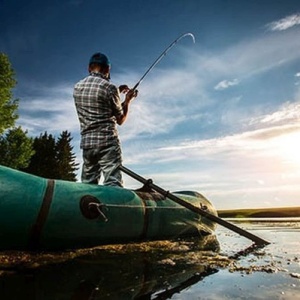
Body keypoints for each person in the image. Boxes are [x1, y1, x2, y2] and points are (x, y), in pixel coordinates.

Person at [73, 52, 137, 187]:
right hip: (107, 142)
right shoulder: (110, 88)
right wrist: (127, 100)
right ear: (107, 69)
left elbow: (97, 100)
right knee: (113, 183)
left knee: (88, 185)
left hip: (87, 144)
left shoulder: (77, 87)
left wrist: (117, 93)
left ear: (89, 68)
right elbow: (120, 119)